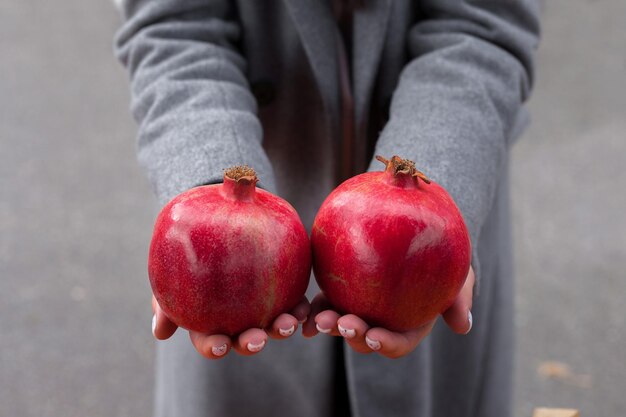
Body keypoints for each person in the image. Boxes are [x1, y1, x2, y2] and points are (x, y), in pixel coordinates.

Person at [114, 1, 540, 416]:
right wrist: (209, 200)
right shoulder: (209, 228)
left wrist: (429, 194)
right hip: (243, 246)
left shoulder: (432, 212)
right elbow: (172, 27)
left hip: (434, 218)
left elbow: (483, 28)